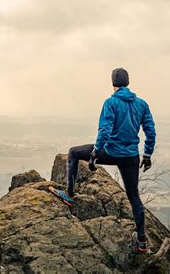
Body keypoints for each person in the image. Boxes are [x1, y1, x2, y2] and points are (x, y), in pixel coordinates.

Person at [49, 67, 156, 252]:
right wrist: (147, 155)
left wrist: (96, 153)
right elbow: (150, 132)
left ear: (113, 84)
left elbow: (104, 131)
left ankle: (70, 195)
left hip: (111, 152)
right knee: (134, 197)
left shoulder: (110, 103)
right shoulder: (142, 104)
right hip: (131, 156)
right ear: (128, 82)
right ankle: (141, 240)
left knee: (73, 153)